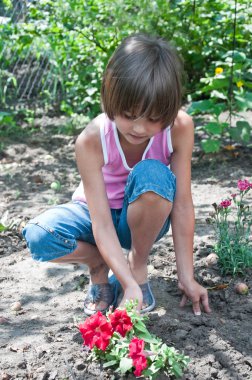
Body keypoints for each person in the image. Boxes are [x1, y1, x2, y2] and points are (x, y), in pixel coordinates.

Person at [23, 34, 211, 316]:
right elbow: (99, 222)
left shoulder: (179, 127)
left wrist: (186, 275)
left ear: (169, 110)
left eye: (152, 118)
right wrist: (125, 283)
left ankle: (137, 264)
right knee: (40, 235)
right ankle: (100, 264)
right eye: (128, 114)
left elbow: (182, 203)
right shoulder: (91, 140)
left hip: (144, 218)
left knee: (153, 176)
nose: (138, 128)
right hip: (96, 215)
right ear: (110, 98)